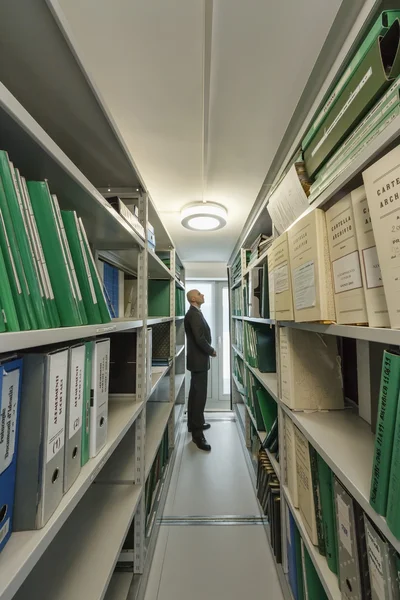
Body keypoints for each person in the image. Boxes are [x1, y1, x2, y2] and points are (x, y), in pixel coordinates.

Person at [184, 289, 216, 451]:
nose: (203, 294)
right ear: (193, 299)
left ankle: (193, 424)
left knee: (195, 393)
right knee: (199, 396)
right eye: (199, 293)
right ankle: (197, 435)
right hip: (198, 360)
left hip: (197, 360)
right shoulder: (194, 314)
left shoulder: (195, 312)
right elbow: (199, 338)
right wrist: (211, 350)